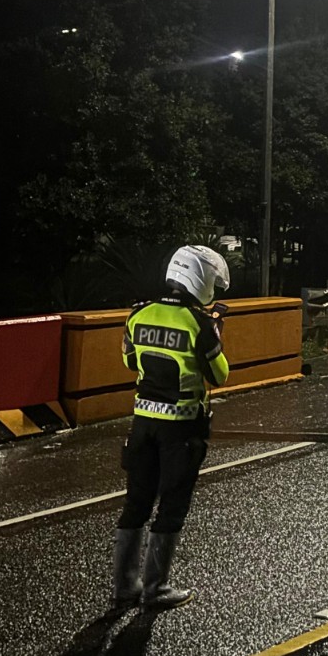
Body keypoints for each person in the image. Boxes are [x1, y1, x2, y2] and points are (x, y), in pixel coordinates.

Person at [110, 244, 230, 612]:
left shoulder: (139, 314)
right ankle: (156, 589)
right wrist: (216, 335)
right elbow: (219, 375)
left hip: (142, 424)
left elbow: (130, 361)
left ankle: (124, 588)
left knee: (136, 504)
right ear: (202, 279)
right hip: (180, 429)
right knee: (171, 508)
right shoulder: (197, 323)